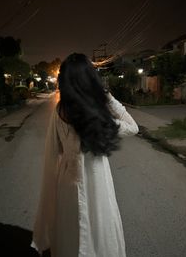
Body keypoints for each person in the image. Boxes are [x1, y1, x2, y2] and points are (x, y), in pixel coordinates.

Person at [30, 53, 139, 257]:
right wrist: (107, 96)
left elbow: (54, 152)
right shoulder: (98, 117)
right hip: (98, 185)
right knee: (98, 233)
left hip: (67, 184)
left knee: (70, 235)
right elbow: (133, 127)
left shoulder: (60, 111)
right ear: (90, 79)